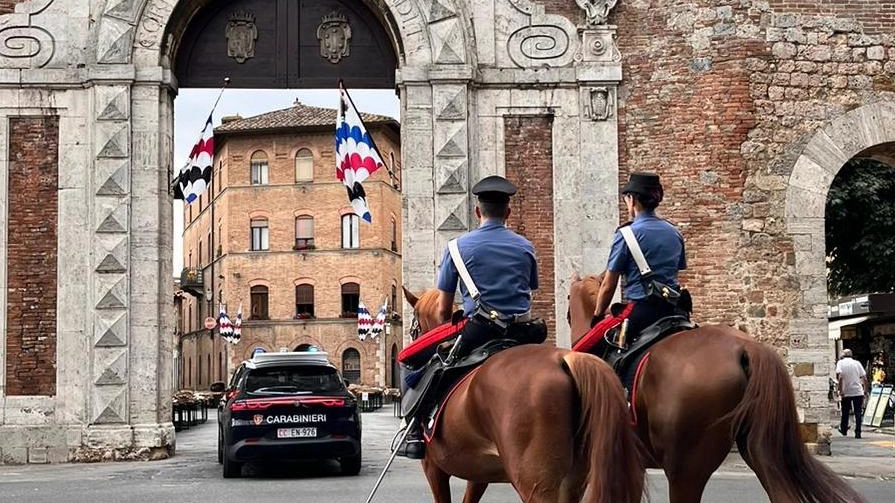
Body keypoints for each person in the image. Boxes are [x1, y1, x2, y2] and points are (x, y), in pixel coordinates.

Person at [397, 175, 544, 459]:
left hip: (480, 329)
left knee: (412, 360)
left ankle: (414, 431)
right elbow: (530, 287)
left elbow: (442, 310)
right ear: (508, 212)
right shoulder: (526, 246)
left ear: (478, 212)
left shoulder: (456, 248)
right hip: (526, 331)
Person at [573, 172, 687, 354]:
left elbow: (609, 286)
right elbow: (675, 270)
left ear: (632, 200)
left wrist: (597, 315)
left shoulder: (627, 235)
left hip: (640, 312)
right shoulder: (674, 233)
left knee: (577, 353)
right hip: (675, 311)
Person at [836, 349, 868, 439]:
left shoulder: (840, 363)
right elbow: (864, 378)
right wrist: (865, 390)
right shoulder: (857, 363)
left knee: (845, 411)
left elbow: (841, 377)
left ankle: (844, 430)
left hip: (846, 391)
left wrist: (840, 390)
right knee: (858, 412)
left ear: (843, 355)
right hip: (857, 391)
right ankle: (858, 432)